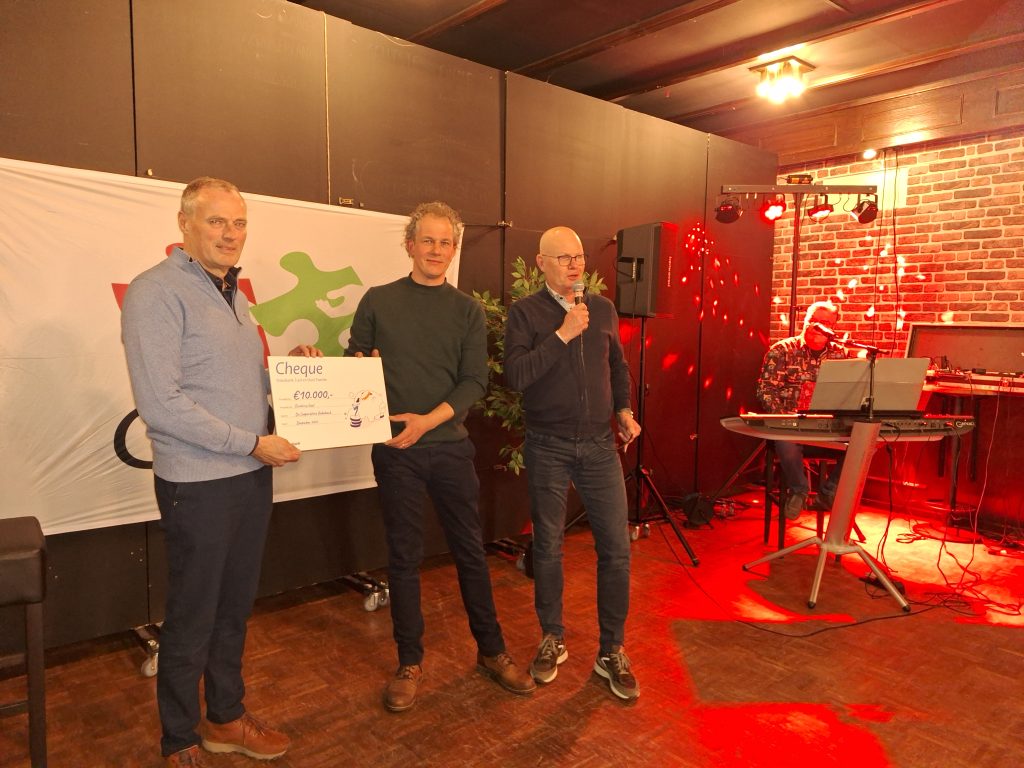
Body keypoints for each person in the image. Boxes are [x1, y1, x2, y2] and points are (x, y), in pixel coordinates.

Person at [121, 177, 322, 767]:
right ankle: (179, 737)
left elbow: (235, 381)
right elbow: (161, 404)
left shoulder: (232, 293)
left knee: (233, 608)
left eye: (239, 223)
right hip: (199, 483)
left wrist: (289, 372)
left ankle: (226, 719)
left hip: (247, 475)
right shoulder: (155, 292)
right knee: (194, 614)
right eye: (216, 221)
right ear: (184, 224)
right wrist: (253, 444)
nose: (230, 234)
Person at [346, 201, 535, 713]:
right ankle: (409, 662)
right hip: (395, 451)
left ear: (454, 249)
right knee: (404, 558)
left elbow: (474, 381)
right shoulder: (378, 300)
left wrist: (427, 422)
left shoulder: (467, 311)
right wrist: (348, 366)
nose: (436, 250)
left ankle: (491, 652)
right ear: (409, 244)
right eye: (427, 240)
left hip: (449, 449)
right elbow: (354, 365)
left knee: (470, 552)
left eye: (445, 242)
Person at [503, 226, 642, 701]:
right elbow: (516, 376)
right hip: (548, 444)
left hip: (600, 445)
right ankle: (552, 637)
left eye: (579, 256)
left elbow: (617, 365)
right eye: (563, 258)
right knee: (547, 546)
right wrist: (562, 335)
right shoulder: (525, 313)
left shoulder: (601, 309)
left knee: (616, 549)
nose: (574, 265)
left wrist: (623, 410)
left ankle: (612, 649)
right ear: (540, 263)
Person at [755, 300, 849, 520]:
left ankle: (829, 492)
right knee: (785, 440)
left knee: (865, 442)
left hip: (826, 426)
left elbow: (848, 391)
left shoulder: (840, 354)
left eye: (825, 323)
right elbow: (765, 390)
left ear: (832, 327)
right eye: (814, 321)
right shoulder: (782, 350)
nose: (818, 326)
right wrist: (782, 419)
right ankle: (799, 490)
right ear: (805, 321)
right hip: (792, 425)